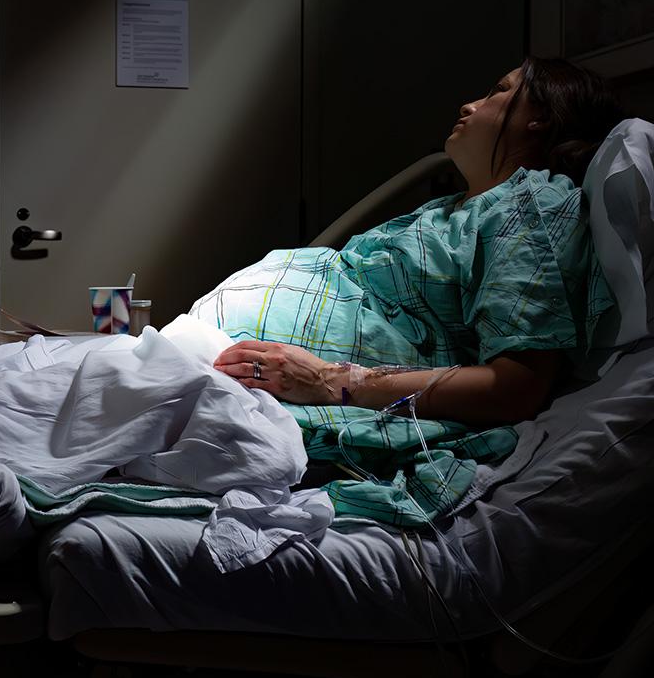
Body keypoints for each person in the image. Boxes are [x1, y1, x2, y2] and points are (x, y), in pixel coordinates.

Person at [201, 57, 625, 425]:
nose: (469, 105)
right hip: (228, 362)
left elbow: (517, 386)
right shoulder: (452, 209)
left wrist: (333, 381)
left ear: (541, 118)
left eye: (499, 91)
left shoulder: (530, 207)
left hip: (266, 384)